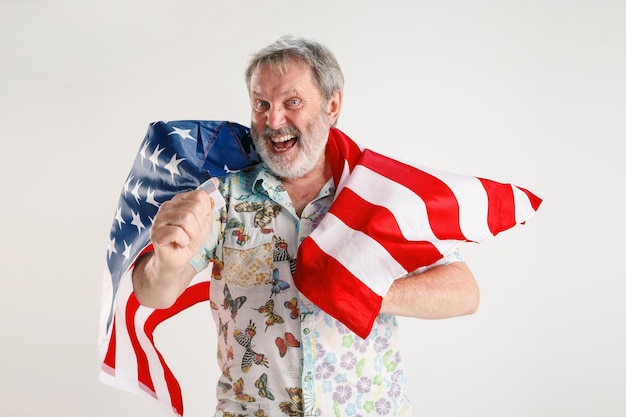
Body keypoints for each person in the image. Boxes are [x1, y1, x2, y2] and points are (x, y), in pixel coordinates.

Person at [132, 35, 480, 417]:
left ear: (332, 106)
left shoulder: (372, 194)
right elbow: (154, 295)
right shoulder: (223, 195)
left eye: (291, 102)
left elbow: (464, 292)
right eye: (261, 104)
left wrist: (365, 291)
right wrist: (166, 261)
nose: (273, 120)